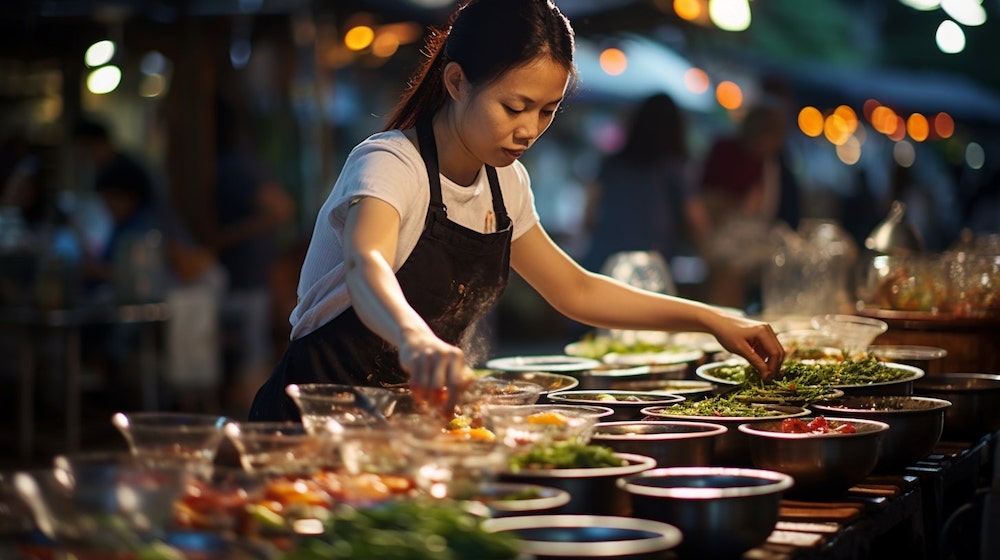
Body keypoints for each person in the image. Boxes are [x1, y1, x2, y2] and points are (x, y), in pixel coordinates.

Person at [248, 0, 784, 422]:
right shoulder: (390, 162)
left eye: (547, 110)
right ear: (457, 83)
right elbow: (368, 264)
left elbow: (576, 289)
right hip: (310, 420)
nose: (529, 129)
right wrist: (415, 340)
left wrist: (710, 319)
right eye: (514, 106)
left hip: (404, 426)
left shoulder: (506, 183)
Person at [209, 92, 296, 414]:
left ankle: (254, 428)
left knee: (252, 352)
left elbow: (280, 209)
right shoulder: (237, 163)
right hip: (246, 273)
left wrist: (221, 238)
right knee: (251, 351)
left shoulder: (235, 165)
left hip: (248, 273)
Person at [580, 93, 706, 279]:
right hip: (650, 266)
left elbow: (588, 218)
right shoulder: (674, 168)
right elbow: (696, 220)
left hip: (602, 261)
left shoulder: (612, 164)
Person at [697, 102, 792, 311]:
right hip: (722, 243)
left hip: (753, 243)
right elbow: (707, 201)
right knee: (724, 296)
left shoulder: (771, 164)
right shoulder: (725, 152)